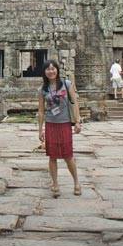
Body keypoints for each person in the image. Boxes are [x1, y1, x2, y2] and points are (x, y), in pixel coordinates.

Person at [37, 59, 82, 197]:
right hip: (51, 124)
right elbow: (41, 111)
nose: (51, 71)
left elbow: (74, 103)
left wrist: (78, 121)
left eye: (53, 68)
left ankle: (76, 182)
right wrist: (40, 129)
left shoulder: (66, 84)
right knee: (52, 156)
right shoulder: (42, 89)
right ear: (44, 72)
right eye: (48, 69)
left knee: (68, 155)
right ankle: (55, 183)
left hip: (65, 123)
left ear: (57, 70)